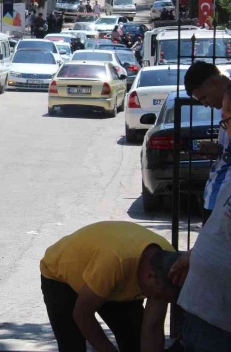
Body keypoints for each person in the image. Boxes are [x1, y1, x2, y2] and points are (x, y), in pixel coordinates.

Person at [41, 221, 181, 352]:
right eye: (157, 296)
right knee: (72, 345)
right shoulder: (114, 262)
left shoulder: (172, 266)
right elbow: (82, 314)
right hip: (61, 277)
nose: (158, 300)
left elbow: (153, 327)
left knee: (135, 343)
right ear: (149, 275)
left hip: (112, 280)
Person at [168, 85, 231, 352]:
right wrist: (194, 254)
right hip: (199, 311)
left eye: (228, 117)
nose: (225, 127)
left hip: (220, 323)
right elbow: (219, 229)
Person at [183, 61, 231, 224]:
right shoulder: (225, 107)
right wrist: (218, 149)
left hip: (223, 201)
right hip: (216, 197)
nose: (205, 104)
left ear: (215, 83)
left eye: (204, 97)